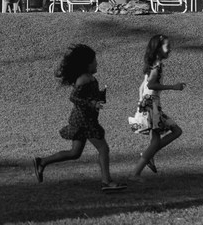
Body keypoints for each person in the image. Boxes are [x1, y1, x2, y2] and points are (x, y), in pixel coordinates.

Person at [34, 44, 125, 192]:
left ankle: (42, 162)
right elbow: (74, 98)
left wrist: (100, 96)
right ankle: (106, 182)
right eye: (94, 61)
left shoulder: (90, 78)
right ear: (87, 64)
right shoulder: (83, 79)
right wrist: (92, 103)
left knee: (75, 153)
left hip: (84, 120)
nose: (97, 63)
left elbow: (87, 96)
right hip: (84, 121)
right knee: (103, 148)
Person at [129, 34, 185, 178]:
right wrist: (173, 87)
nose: (170, 49)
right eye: (168, 46)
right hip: (151, 106)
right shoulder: (157, 66)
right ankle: (135, 173)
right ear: (158, 48)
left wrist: (141, 103)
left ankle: (148, 155)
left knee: (174, 132)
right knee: (171, 133)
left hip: (149, 105)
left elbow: (141, 87)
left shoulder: (152, 64)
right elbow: (151, 85)